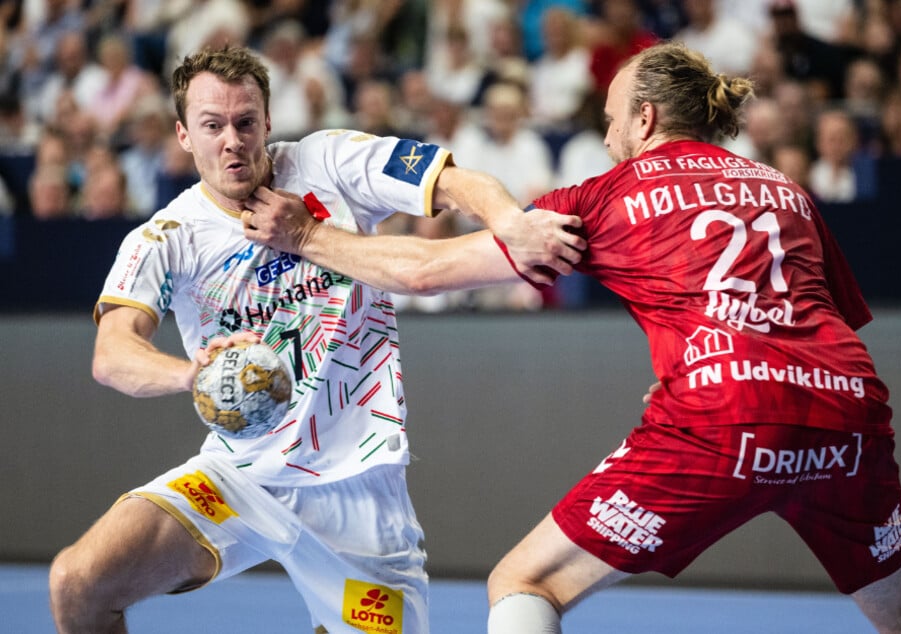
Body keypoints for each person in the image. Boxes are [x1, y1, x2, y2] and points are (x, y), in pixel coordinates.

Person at [242, 41, 901, 633]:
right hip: (847, 408)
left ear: (643, 119)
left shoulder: (602, 198)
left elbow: (426, 270)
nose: (608, 135)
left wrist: (306, 235)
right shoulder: (785, 188)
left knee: (524, 582)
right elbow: (815, 316)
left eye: (611, 119)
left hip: (719, 414)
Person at [46, 45, 581, 634]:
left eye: (246, 121)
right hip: (237, 477)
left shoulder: (330, 161)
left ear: (268, 121)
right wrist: (190, 374)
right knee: (78, 583)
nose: (233, 140)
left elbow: (455, 183)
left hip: (360, 490)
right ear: (182, 134)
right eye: (212, 125)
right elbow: (113, 353)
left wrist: (510, 222)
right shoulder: (165, 238)